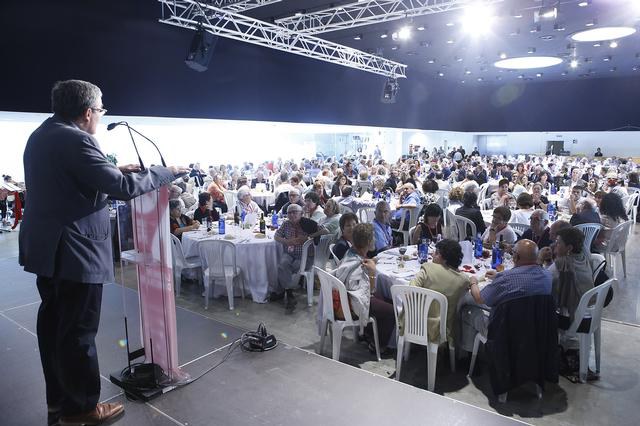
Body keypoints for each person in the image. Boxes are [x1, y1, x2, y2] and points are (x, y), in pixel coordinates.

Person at [19, 80, 186, 426]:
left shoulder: (42, 134)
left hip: (47, 251)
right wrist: (164, 172)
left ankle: (59, 403)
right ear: (87, 112)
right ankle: (81, 410)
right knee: (78, 333)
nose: (100, 115)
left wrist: (114, 170)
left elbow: (69, 183)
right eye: (100, 110)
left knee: (55, 330)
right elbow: (122, 188)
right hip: (73, 251)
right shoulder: (77, 139)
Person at [332, 223, 395, 354]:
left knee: (387, 299)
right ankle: (378, 345)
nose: (375, 240)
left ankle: (368, 334)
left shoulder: (351, 253)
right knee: (391, 311)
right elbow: (367, 292)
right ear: (367, 242)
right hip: (351, 305)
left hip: (345, 298)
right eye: (373, 238)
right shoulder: (358, 265)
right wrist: (372, 272)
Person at [409, 239, 473, 347]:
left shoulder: (428, 268)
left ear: (445, 259)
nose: (432, 255)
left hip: (415, 324)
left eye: (437, 253)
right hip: (443, 330)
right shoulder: (464, 280)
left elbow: (410, 291)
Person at [469, 240, 552, 307]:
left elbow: (479, 299)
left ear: (515, 257)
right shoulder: (548, 275)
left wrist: (473, 282)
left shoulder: (506, 279)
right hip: (536, 320)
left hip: (504, 321)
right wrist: (498, 276)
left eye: (513, 253)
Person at [547, 227, 594, 328]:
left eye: (558, 243)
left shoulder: (562, 265)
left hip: (571, 318)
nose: (555, 245)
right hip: (588, 313)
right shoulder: (584, 258)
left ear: (569, 248)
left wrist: (539, 260)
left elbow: (543, 282)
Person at [273, 204, 310, 309]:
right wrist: (286, 241)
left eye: (295, 212)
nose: (292, 214)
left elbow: (320, 234)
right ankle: (289, 294)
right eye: (289, 212)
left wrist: (307, 238)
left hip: (303, 255)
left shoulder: (307, 224)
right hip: (289, 253)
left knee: (290, 268)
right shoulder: (286, 224)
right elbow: (276, 236)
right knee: (282, 265)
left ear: (301, 213)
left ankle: (281, 292)